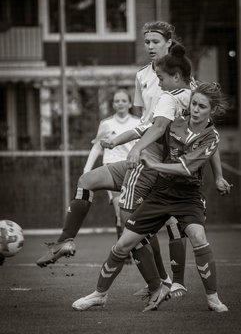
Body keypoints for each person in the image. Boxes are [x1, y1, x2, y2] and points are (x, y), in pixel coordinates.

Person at [36, 23, 230, 300]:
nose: (149, 46)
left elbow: (200, 134)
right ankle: (66, 242)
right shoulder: (143, 76)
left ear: (169, 42)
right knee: (88, 182)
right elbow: (146, 122)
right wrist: (118, 140)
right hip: (140, 154)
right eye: (146, 42)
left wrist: (218, 175)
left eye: (154, 41)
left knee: (141, 223)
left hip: (156, 162)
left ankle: (164, 282)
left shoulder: (185, 86)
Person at [72, 80, 229, 313]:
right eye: (194, 104)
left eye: (202, 107)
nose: (195, 110)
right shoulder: (173, 123)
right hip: (161, 193)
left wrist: (153, 164)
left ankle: (213, 298)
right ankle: (99, 295)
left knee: (197, 235)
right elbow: (143, 131)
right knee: (124, 243)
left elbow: (185, 168)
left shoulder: (211, 137)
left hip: (188, 197)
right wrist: (127, 145)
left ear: (212, 110)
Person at [83, 90, 140, 241]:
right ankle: (122, 247)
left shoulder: (138, 122)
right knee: (119, 208)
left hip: (132, 169)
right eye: (117, 101)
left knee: (131, 211)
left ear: (129, 103)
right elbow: (96, 147)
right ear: (113, 104)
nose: (120, 103)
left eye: (123, 100)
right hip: (112, 169)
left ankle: (130, 243)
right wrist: (86, 170)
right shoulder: (106, 124)